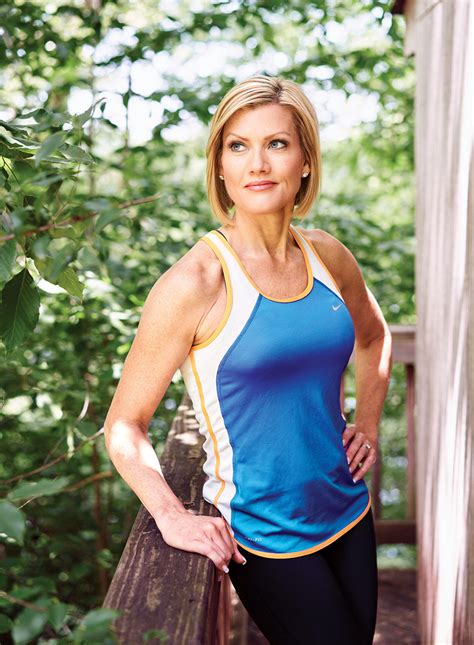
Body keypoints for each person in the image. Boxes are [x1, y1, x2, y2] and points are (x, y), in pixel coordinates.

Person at [103, 74, 392, 644]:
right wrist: (172, 515)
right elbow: (124, 425)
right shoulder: (196, 282)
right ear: (220, 166)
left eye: (276, 144)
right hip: (264, 538)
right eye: (238, 146)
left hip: (350, 512)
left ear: (305, 161)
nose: (257, 163)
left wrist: (368, 424)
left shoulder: (327, 255)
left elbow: (375, 338)